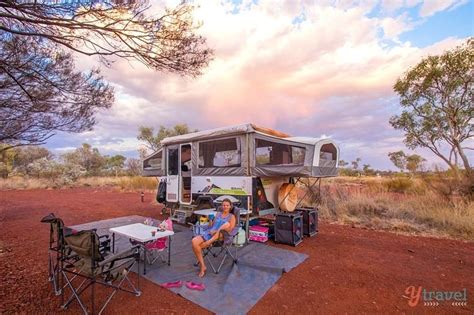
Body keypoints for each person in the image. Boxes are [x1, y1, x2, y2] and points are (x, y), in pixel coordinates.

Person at [191, 199, 236, 277]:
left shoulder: (232, 217)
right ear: (222, 206)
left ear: (230, 206)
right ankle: (203, 266)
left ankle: (209, 242)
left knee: (226, 224)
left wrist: (216, 231)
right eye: (224, 205)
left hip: (221, 236)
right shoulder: (218, 214)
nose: (225, 207)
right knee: (194, 241)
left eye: (227, 205)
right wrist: (210, 220)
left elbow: (230, 229)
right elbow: (211, 226)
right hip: (210, 233)